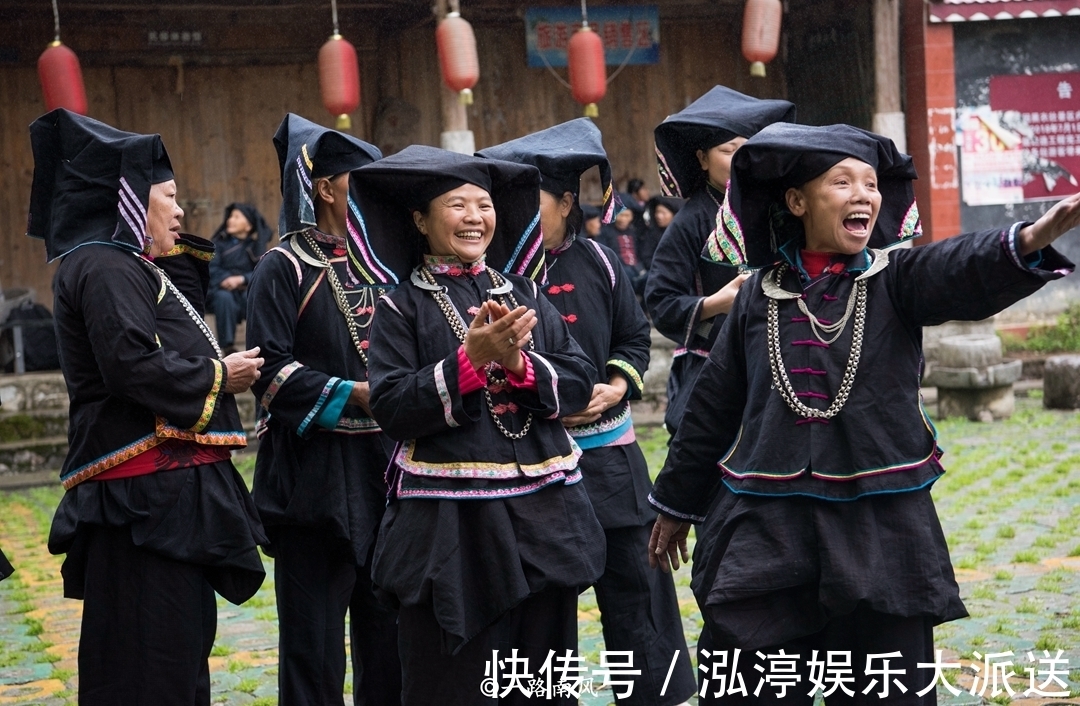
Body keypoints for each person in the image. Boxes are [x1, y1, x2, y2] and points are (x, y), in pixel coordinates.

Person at [647, 122, 1080, 705]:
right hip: (769, 525)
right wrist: (676, 504)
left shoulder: (896, 280)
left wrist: (1028, 239)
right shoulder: (755, 296)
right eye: (842, 182)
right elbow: (711, 409)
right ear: (797, 201)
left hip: (881, 527)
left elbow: (954, 267)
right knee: (746, 677)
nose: (863, 196)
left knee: (886, 686)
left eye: (871, 185)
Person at [351, 145, 606, 705]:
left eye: (484, 204)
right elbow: (391, 405)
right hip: (451, 525)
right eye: (456, 204)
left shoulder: (524, 291)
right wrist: (469, 363)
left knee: (543, 673)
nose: (474, 217)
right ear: (419, 220)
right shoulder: (400, 306)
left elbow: (581, 379)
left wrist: (517, 365)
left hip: (543, 513)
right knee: (454, 676)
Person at [29, 109, 266, 704]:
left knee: (177, 648)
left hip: (162, 503)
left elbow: (182, 279)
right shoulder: (104, 265)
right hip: (143, 508)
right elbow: (130, 366)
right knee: (149, 654)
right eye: (169, 196)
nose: (181, 211)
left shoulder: (126, 263)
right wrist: (220, 375)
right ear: (130, 200)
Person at [479, 118, 697, 705]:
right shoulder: (491, 276)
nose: (519, 214)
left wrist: (617, 386)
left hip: (609, 460)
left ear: (568, 201)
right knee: (543, 612)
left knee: (637, 592)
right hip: (535, 468)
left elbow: (633, 339)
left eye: (535, 201)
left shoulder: (600, 262)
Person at [244, 113, 401, 705]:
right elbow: (269, 371)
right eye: (359, 179)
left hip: (385, 472)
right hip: (312, 478)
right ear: (325, 187)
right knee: (313, 646)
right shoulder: (283, 267)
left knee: (388, 635)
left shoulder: (389, 267)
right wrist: (352, 393)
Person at [644, 86, 794, 434]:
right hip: (712, 372)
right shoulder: (689, 221)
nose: (740, 161)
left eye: (749, 151)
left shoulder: (781, 213)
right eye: (729, 151)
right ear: (701, 158)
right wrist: (716, 303)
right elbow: (661, 302)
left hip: (782, 364)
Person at [206, 202, 272, 353]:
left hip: (245, 289)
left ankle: (261, 343)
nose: (230, 220)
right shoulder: (218, 244)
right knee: (224, 298)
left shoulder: (257, 247)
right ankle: (227, 346)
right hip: (221, 289)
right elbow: (212, 268)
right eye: (230, 216)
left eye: (236, 217)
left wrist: (242, 279)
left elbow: (262, 271)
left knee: (257, 298)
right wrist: (226, 279)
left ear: (248, 226)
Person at [601, 206, 647, 296]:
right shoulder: (606, 233)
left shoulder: (634, 232)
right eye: (621, 215)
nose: (623, 219)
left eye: (627, 215)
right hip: (619, 270)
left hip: (637, 269)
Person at [638, 195, 683, 272]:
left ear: (674, 215)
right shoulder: (652, 234)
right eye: (657, 212)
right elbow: (647, 257)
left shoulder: (681, 234)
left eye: (663, 213)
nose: (659, 216)